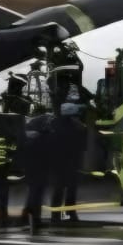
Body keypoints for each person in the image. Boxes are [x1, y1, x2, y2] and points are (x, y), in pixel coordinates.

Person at [49, 93, 89, 225]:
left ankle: (55, 215)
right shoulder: (79, 126)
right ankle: (71, 213)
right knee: (71, 188)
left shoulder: (53, 124)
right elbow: (83, 146)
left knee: (58, 188)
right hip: (73, 162)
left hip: (57, 161)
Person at [19, 107, 55, 232]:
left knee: (34, 192)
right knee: (37, 193)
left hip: (32, 169)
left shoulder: (29, 137)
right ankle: (34, 217)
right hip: (40, 169)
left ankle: (28, 214)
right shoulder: (44, 137)